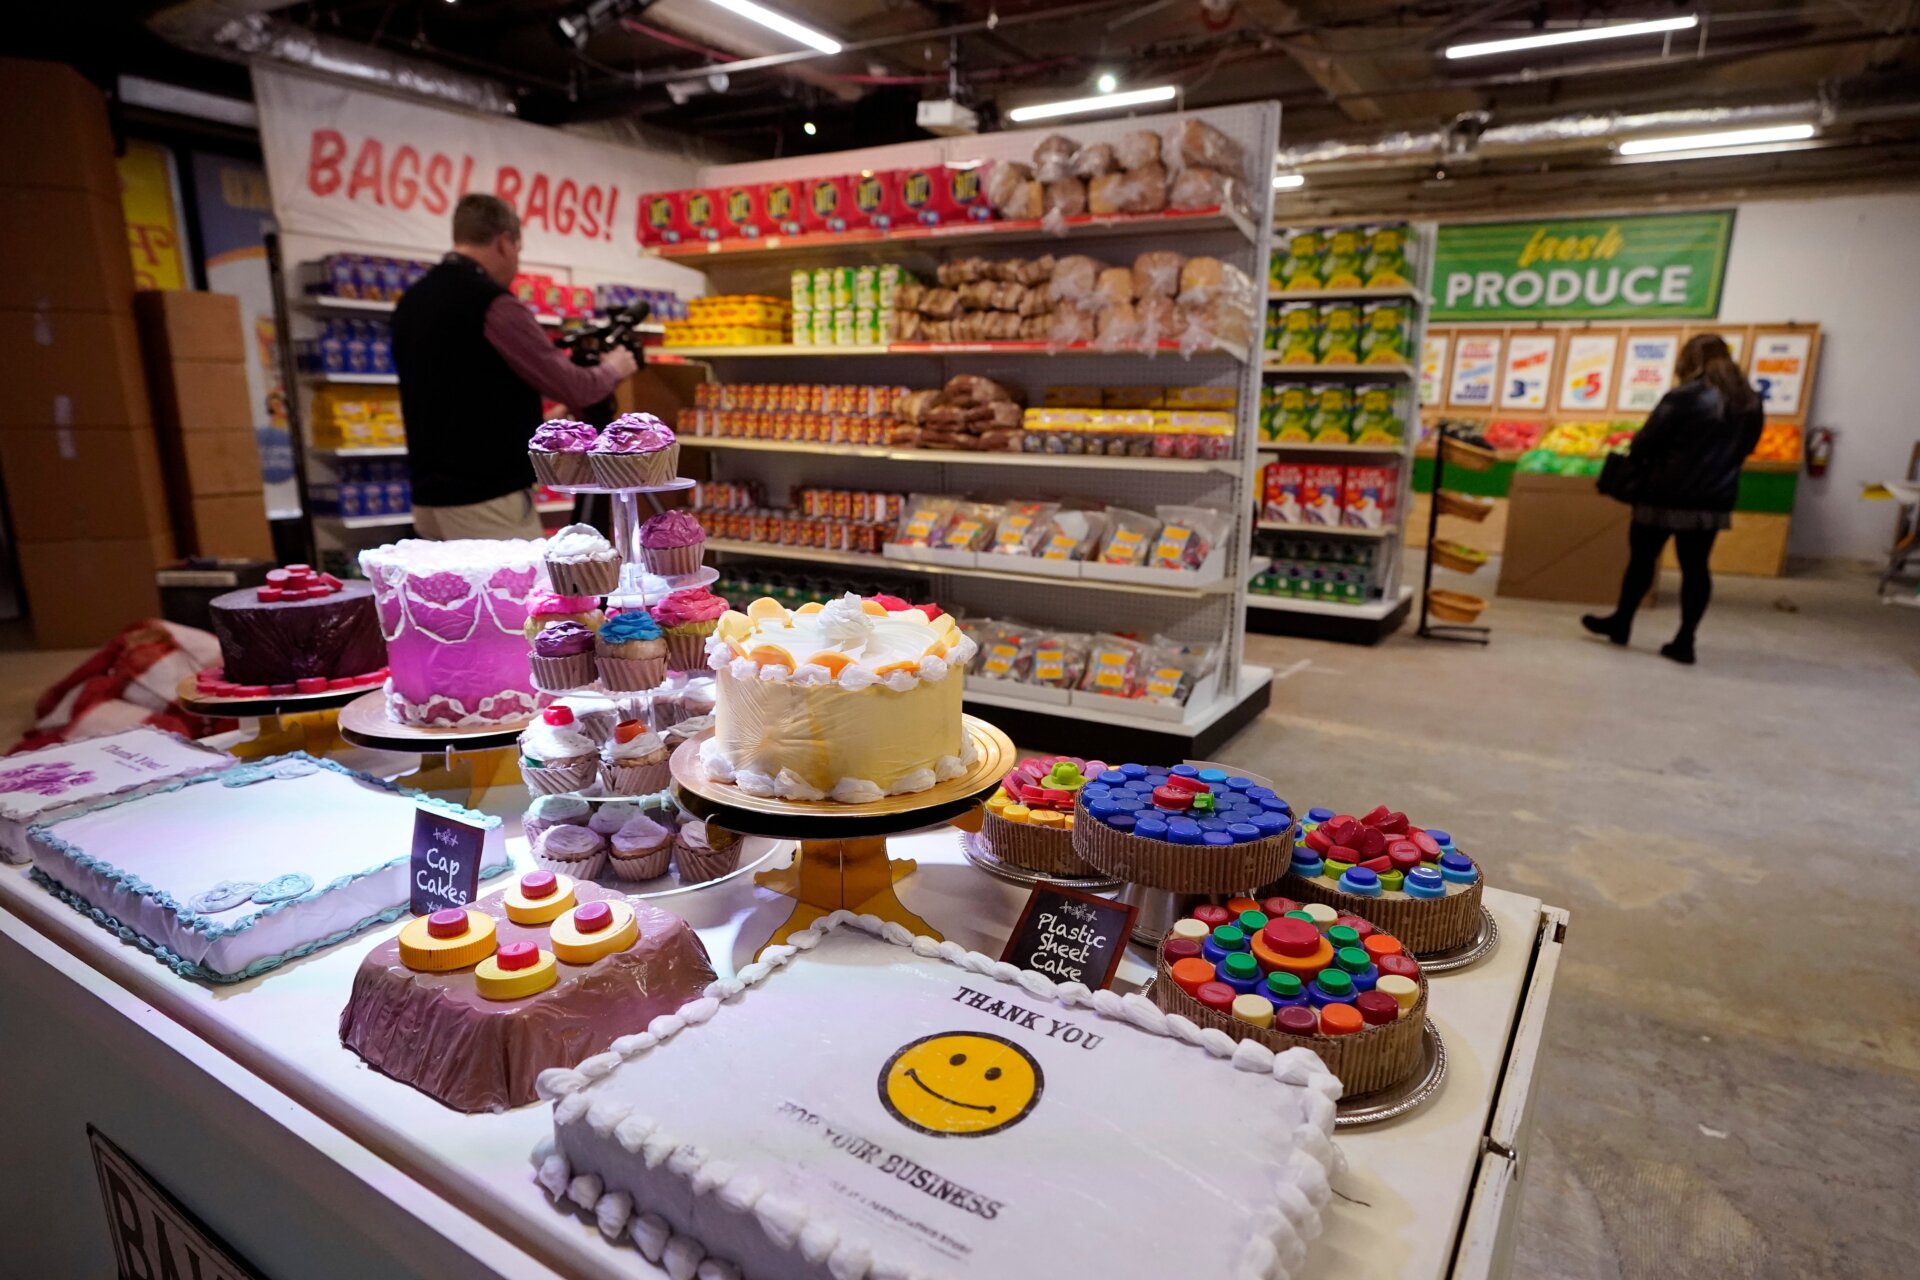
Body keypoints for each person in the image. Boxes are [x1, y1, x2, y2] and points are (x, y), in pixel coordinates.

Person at [391, 193, 638, 540]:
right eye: (519, 251)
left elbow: (457, 394)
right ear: (505, 243)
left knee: (446, 595)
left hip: (428, 501)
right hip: (487, 499)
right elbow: (577, 386)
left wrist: (538, 422)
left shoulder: (412, 300)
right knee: (514, 593)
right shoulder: (492, 304)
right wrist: (615, 367)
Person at [1581, 334, 1764, 665]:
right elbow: (1747, 447)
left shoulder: (1683, 397)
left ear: (1689, 360)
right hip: (1712, 499)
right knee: (1696, 568)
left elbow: (1644, 444)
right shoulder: (1749, 401)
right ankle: (1685, 639)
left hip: (1663, 495)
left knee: (1642, 560)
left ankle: (1622, 622)